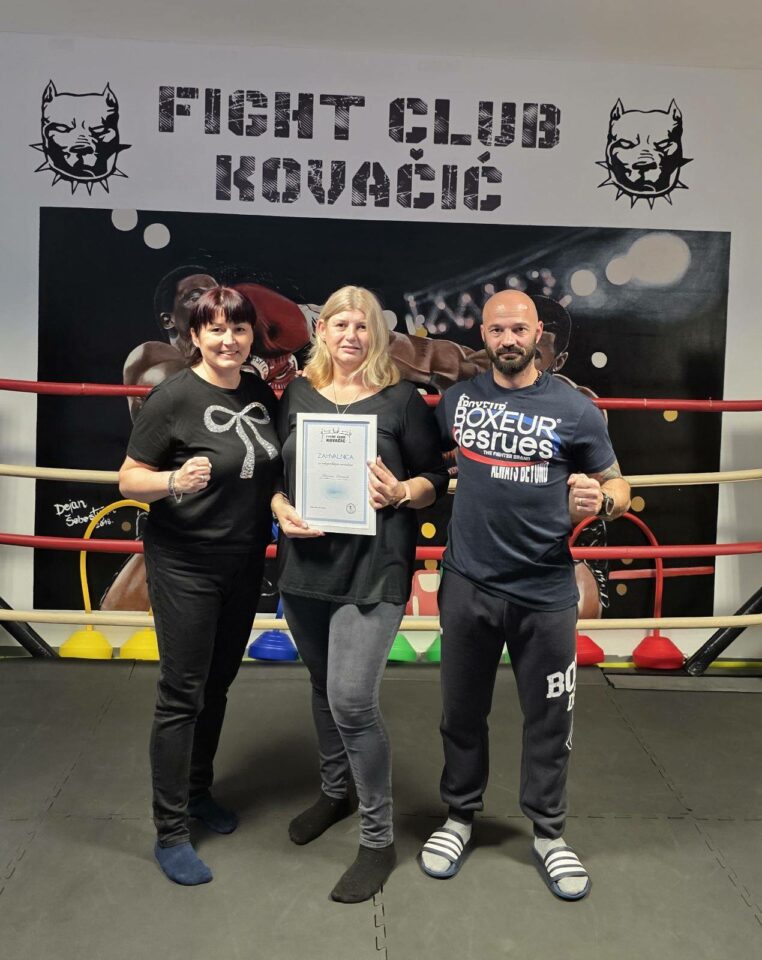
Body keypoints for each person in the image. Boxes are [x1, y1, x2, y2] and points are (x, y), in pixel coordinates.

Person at [419, 290, 630, 900]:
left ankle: (548, 832)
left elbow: (618, 485)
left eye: (518, 329)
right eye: (496, 330)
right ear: (482, 335)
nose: (508, 340)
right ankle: (460, 816)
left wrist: (601, 501)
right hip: (468, 583)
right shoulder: (458, 402)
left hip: (544, 589)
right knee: (461, 712)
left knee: (549, 718)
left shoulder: (575, 409)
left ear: (538, 333)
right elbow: (426, 465)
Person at [271, 285, 449, 903]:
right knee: (323, 687)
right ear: (322, 331)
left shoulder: (403, 400)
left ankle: (378, 839)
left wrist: (401, 492)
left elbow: (435, 479)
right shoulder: (296, 395)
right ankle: (335, 792)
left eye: (362, 325)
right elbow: (276, 476)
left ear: (377, 335)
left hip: (374, 567)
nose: (350, 335)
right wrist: (279, 507)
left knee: (351, 699)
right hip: (306, 566)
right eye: (340, 324)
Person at [118, 287, 281, 886]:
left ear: (250, 336)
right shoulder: (173, 396)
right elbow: (128, 479)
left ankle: (197, 791)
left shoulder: (259, 391)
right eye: (216, 329)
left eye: (238, 329)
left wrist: (280, 504)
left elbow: (270, 470)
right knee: (182, 692)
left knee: (217, 684)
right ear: (194, 336)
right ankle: (171, 831)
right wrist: (173, 480)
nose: (228, 340)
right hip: (185, 563)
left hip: (243, 560)